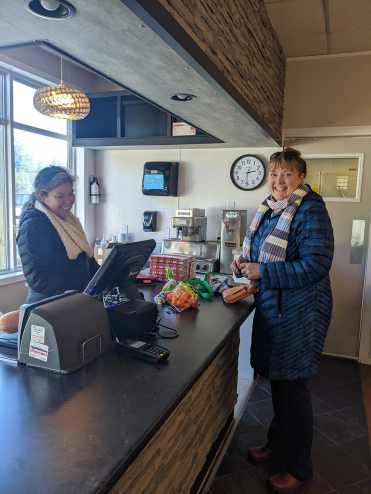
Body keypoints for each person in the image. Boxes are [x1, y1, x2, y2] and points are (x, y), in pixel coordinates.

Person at [231, 148, 334, 493]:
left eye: (287, 174)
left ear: (301, 177)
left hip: (301, 312)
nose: (278, 181)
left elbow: (315, 265)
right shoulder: (272, 210)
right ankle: (277, 444)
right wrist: (244, 263)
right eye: (274, 174)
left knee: (292, 389)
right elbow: (260, 253)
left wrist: (263, 271)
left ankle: (300, 468)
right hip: (277, 306)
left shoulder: (310, 210)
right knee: (279, 381)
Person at [17, 166, 99, 304]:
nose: (68, 201)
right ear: (42, 195)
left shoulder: (69, 221)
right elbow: (37, 278)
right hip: (50, 306)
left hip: (75, 299)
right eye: (60, 196)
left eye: (70, 194)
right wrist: (81, 289)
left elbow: (86, 260)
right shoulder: (33, 225)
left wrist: (107, 277)